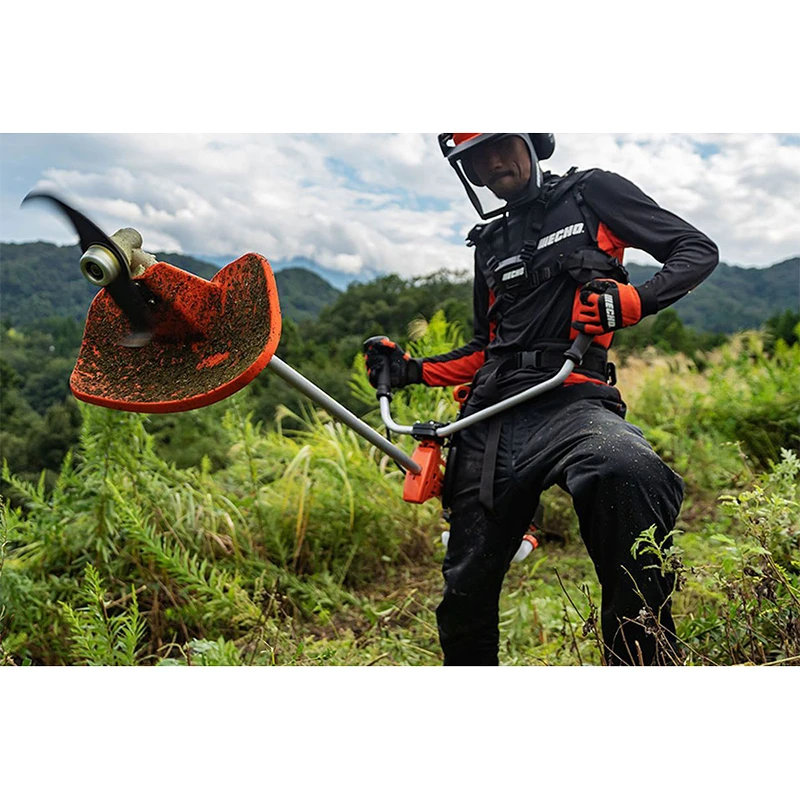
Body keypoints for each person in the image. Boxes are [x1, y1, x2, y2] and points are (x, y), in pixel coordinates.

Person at [364, 133, 719, 666]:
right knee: (464, 590)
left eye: (502, 142)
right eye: (476, 156)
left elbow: (696, 250)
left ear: (533, 142)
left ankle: (642, 662)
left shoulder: (592, 192)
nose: (494, 160)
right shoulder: (488, 243)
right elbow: (488, 347)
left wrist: (635, 300)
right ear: (470, 171)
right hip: (492, 415)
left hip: (572, 399)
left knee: (628, 468)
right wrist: (410, 370)